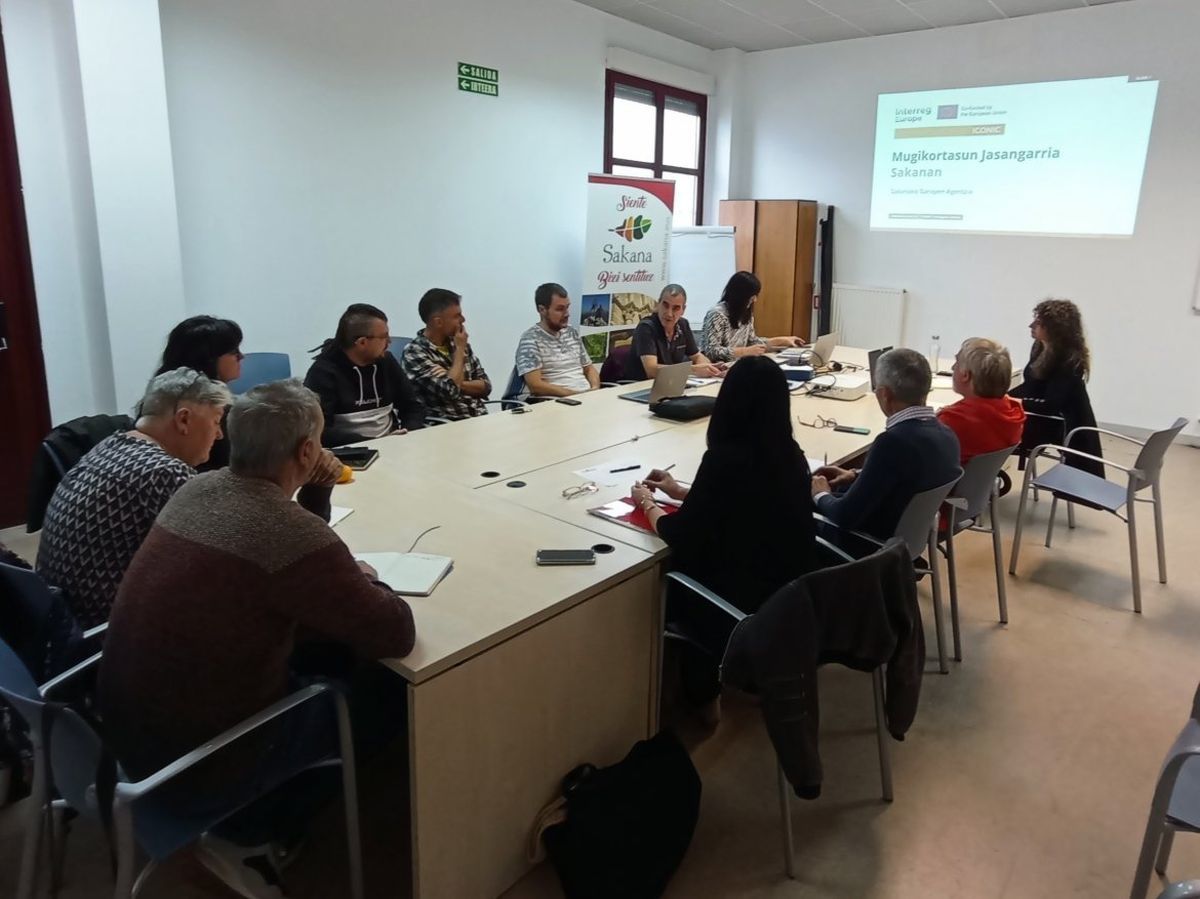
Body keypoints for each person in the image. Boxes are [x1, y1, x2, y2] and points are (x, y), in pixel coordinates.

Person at [98, 380, 416, 899]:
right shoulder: (287, 534)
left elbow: (295, 557)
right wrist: (368, 579)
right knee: (386, 691)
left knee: (322, 650)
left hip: (127, 735)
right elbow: (395, 632)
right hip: (203, 762)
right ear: (308, 450)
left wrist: (317, 489)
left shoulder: (197, 488)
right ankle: (253, 831)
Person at [631, 356, 820, 711]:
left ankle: (700, 695)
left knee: (662, 579)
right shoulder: (791, 454)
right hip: (787, 597)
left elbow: (680, 533)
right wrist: (679, 491)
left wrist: (646, 503)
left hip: (739, 606)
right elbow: (742, 502)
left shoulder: (724, 459)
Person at [35, 369, 230, 629]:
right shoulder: (164, 472)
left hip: (60, 617)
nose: (219, 435)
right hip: (106, 631)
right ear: (183, 420)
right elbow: (224, 554)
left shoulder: (110, 444)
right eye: (216, 421)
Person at [812, 348, 960, 543]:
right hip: (905, 541)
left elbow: (844, 516)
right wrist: (856, 474)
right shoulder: (948, 435)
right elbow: (904, 475)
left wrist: (820, 493)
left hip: (867, 547)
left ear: (884, 394)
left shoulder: (892, 443)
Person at [304, 303, 425, 446]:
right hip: (349, 451)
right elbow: (320, 431)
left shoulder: (387, 362)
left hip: (393, 445)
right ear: (362, 342)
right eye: (384, 337)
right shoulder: (323, 373)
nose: (389, 342)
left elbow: (412, 406)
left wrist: (407, 432)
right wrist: (376, 443)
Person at [1009, 298, 1103, 477]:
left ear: (1055, 329)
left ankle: (982, 472)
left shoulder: (1069, 361)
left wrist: (1014, 401)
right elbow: (1032, 386)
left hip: (1060, 425)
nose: (1031, 325)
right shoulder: (1040, 348)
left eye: (1038, 323)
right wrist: (1001, 396)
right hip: (1045, 419)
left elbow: (1050, 405)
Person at [154, 315, 244, 470]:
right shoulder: (208, 409)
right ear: (208, 358)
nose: (241, 356)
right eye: (233, 351)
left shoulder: (160, 395)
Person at [401, 288, 492, 420]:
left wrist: (454, 380)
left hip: (479, 417)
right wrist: (459, 352)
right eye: (457, 316)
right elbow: (450, 392)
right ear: (438, 322)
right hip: (447, 423)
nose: (463, 319)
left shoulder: (458, 342)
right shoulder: (414, 352)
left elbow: (486, 387)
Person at [937, 337, 1026, 464]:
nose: (952, 367)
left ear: (965, 375)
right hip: (983, 476)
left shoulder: (951, 421)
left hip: (953, 476)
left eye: (956, 363)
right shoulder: (1012, 410)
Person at [515, 283, 601, 397]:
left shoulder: (571, 332)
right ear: (542, 310)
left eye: (567, 307)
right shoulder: (530, 340)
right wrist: (575, 396)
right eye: (560, 309)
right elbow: (535, 386)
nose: (567, 314)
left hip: (585, 397)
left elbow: (589, 368)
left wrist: (595, 389)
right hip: (559, 401)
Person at [699, 271, 805, 363]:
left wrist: (782, 341)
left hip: (738, 366)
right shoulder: (716, 314)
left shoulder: (746, 313)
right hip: (716, 369)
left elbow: (752, 342)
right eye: (752, 296)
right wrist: (744, 351)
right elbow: (712, 351)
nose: (755, 300)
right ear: (740, 295)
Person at [625, 284, 723, 381]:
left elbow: (697, 356)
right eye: (665, 305)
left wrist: (710, 368)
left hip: (670, 382)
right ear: (658, 304)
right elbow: (651, 370)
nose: (669, 313)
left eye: (676, 308)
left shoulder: (683, 324)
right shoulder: (646, 327)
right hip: (641, 385)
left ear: (683, 310)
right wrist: (693, 370)